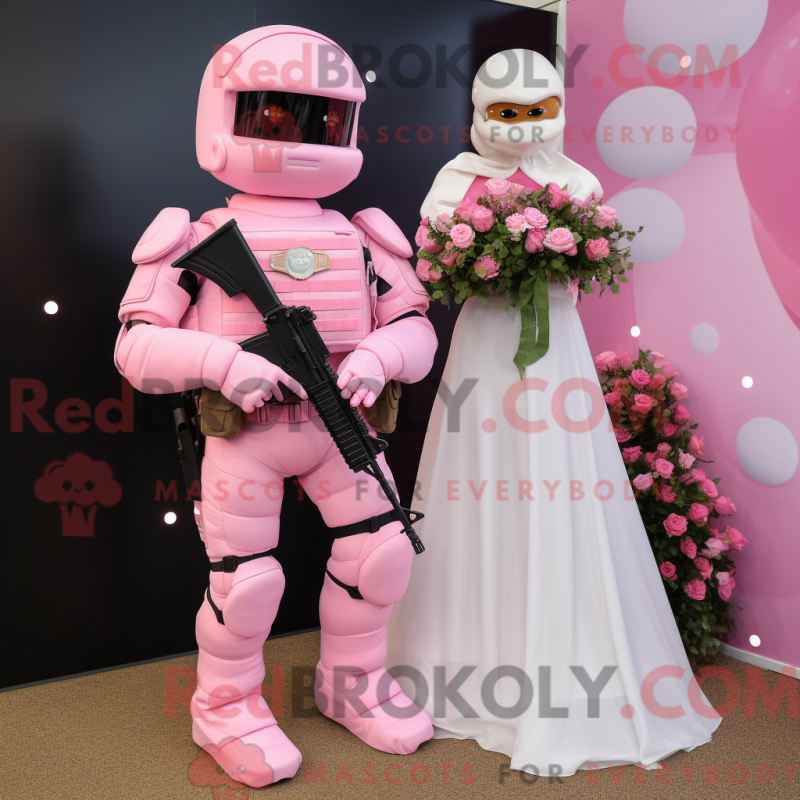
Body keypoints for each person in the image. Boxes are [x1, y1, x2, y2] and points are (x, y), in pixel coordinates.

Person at [114, 25, 437, 788]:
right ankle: (225, 707)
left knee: (382, 554)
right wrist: (222, 364)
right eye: (273, 116)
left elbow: (417, 329)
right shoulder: (195, 237)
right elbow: (136, 346)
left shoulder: (360, 236)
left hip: (340, 428)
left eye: (323, 119)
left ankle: (352, 683)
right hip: (245, 438)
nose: (298, 136)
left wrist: (377, 357)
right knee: (246, 583)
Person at [387, 49, 721, 776]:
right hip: (484, 343)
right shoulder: (456, 178)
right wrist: (482, 253)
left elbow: (592, 260)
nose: (521, 125)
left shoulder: (576, 180)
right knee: (475, 471)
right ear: (481, 113)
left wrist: (556, 255)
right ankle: (464, 653)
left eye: (536, 111)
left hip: (555, 348)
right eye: (506, 112)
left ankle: (565, 655)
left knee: (557, 469)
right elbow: (434, 257)